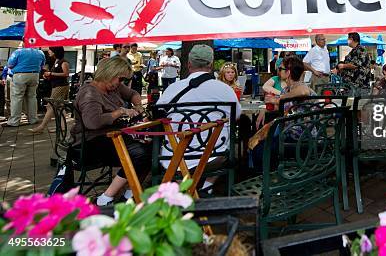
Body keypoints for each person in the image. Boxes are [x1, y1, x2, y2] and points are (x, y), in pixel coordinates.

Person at [71, 57, 148, 206]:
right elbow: (93, 122)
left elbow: (133, 94)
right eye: (120, 79)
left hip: (112, 136)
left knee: (151, 147)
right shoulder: (90, 93)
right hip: (91, 142)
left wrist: (138, 106)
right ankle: (105, 199)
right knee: (141, 153)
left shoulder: (114, 86)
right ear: (110, 74)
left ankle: (130, 194)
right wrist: (120, 112)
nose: (121, 83)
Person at [156, 45, 240, 181]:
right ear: (211, 64)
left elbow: (159, 116)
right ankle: (206, 188)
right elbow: (235, 115)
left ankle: (183, 189)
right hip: (214, 155)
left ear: (189, 64)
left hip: (174, 156)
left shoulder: (172, 89)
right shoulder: (224, 89)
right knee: (224, 141)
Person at [31, 47, 70, 134]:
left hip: (61, 86)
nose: (48, 51)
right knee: (60, 106)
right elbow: (56, 74)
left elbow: (66, 74)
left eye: (50, 50)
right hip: (56, 86)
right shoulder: (56, 61)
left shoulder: (63, 62)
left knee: (50, 105)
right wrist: (48, 76)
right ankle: (62, 127)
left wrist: (51, 73)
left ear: (56, 51)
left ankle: (42, 126)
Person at [5, 47, 46, 127]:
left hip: (20, 75)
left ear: (24, 42)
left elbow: (10, 65)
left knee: (17, 98)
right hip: (35, 75)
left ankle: (14, 121)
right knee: (32, 97)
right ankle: (33, 119)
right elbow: (42, 65)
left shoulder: (18, 52)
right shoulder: (40, 53)